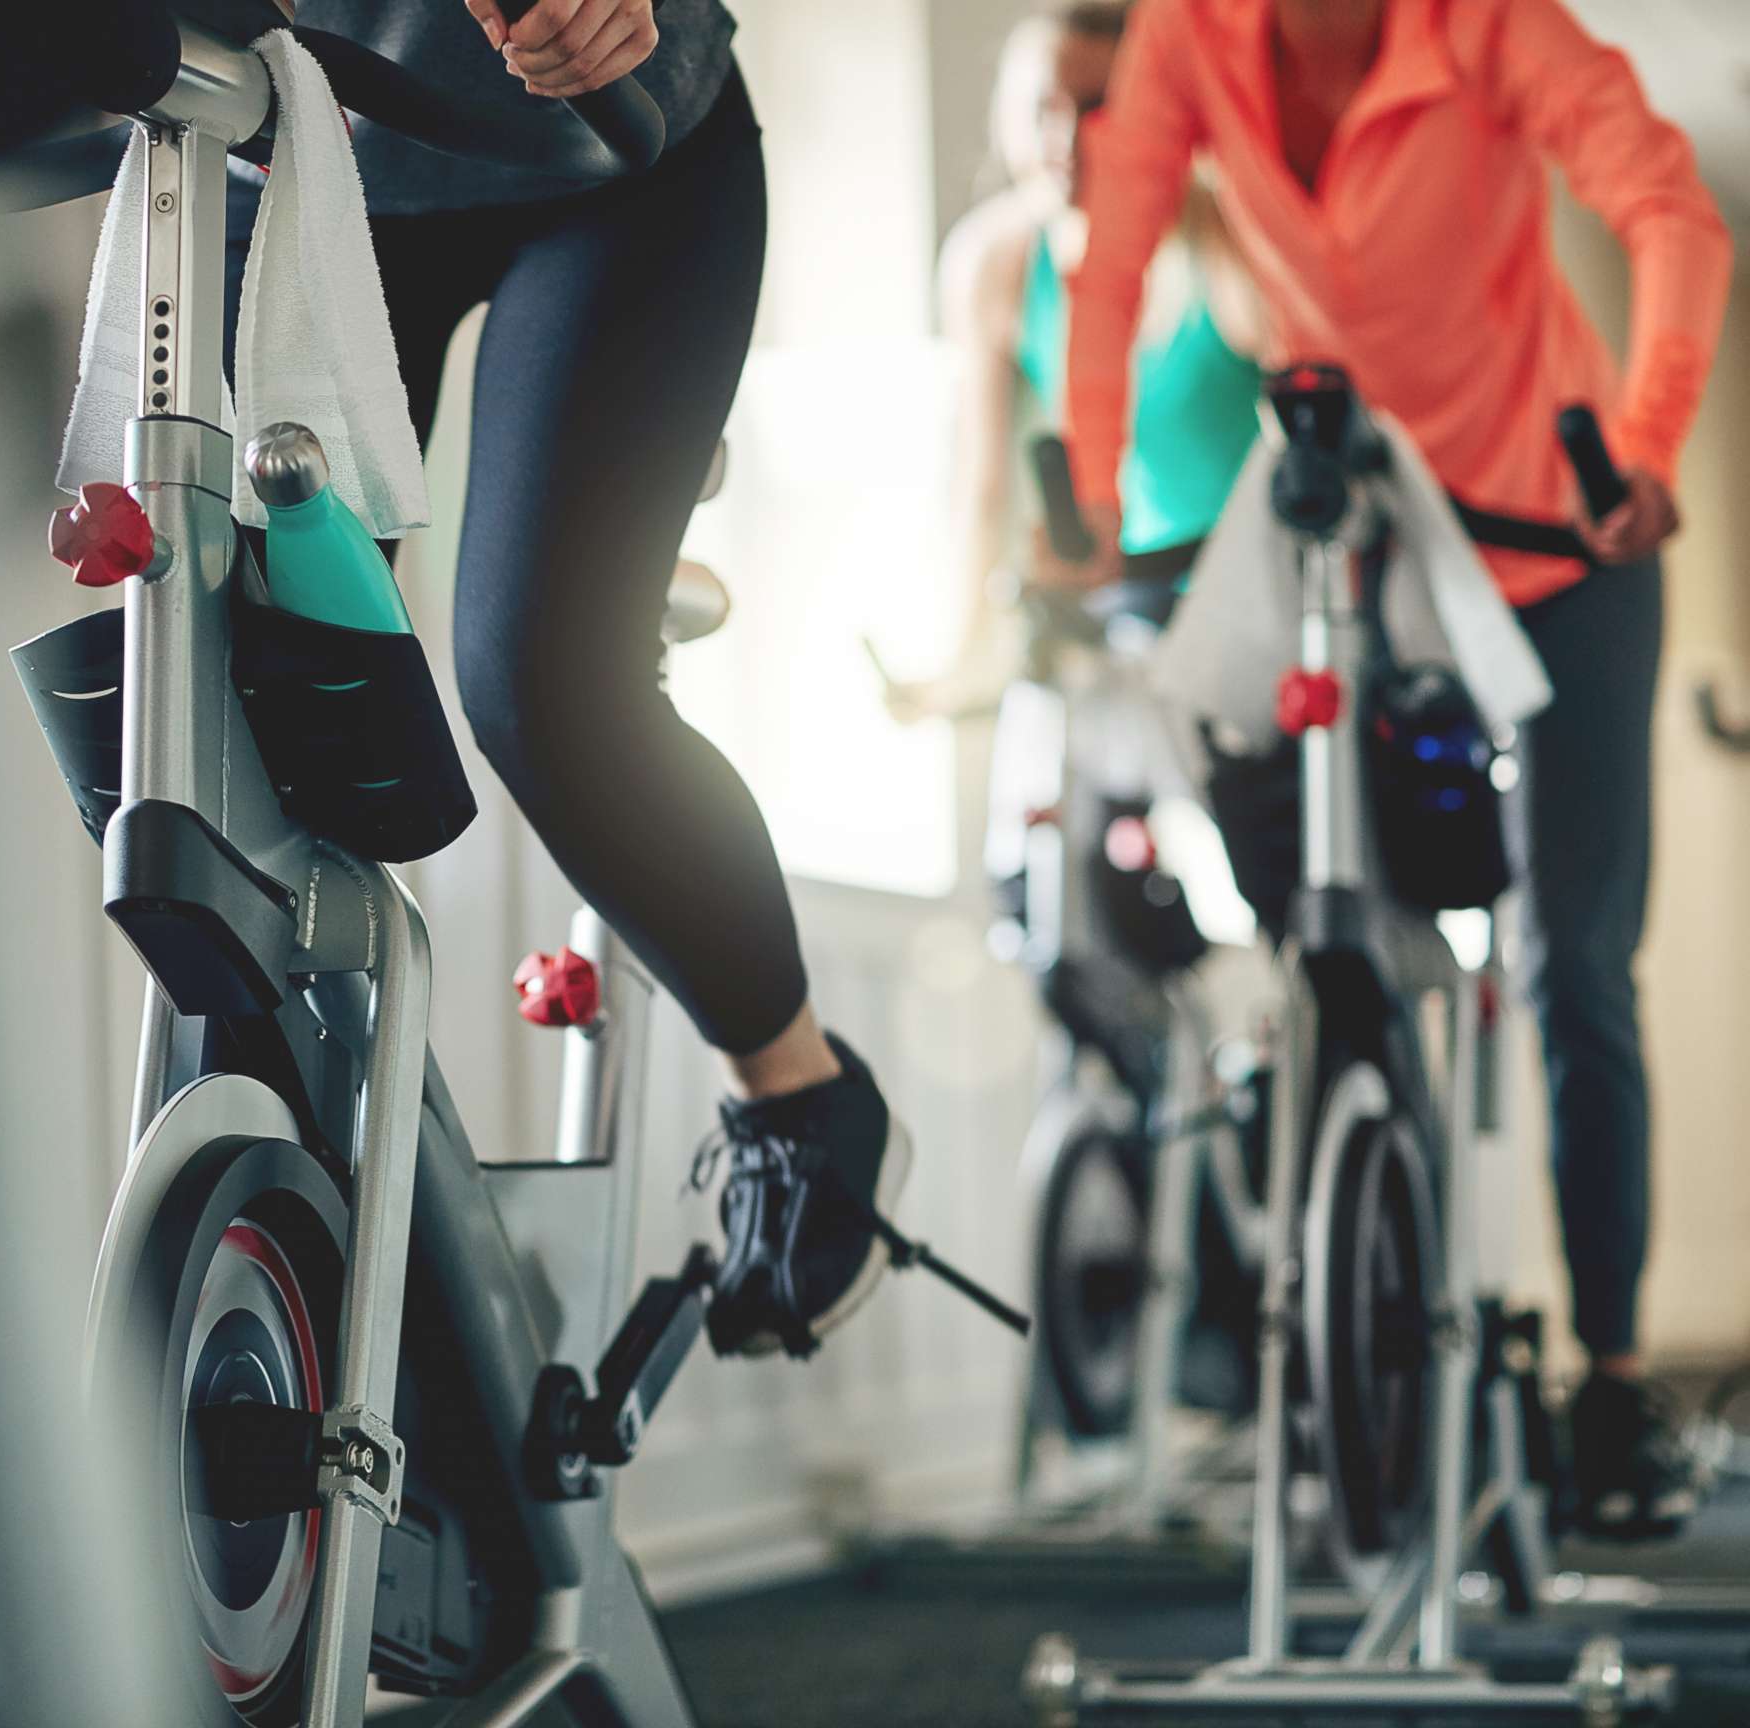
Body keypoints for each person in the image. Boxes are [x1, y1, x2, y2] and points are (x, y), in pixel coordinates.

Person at [1063, 0, 1732, 1536]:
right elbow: (1111, 257)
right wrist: (1090, 483)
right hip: (1363, 535)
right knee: (1333, 912)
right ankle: (1381, 1272)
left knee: (1574, 960)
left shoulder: (1485, 27)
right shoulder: (1190, 40)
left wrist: (1649, 433)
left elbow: (1665, 203)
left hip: (1564, 540)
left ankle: (1613, 1380)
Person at [227, 0, 910, 1358]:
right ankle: (301, 1145)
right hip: (306, 143)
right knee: (256, 680)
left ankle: (798, 1095)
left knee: (543, 683)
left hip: (621, 152)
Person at [922, 0, 1264, 718]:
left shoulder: (1222, 239)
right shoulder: (996, 261)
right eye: (1046, 108)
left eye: (1102, 106)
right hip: (1105, 592)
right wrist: (964, 654)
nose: (1071, 140)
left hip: (1239, 592)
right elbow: (982, 485)